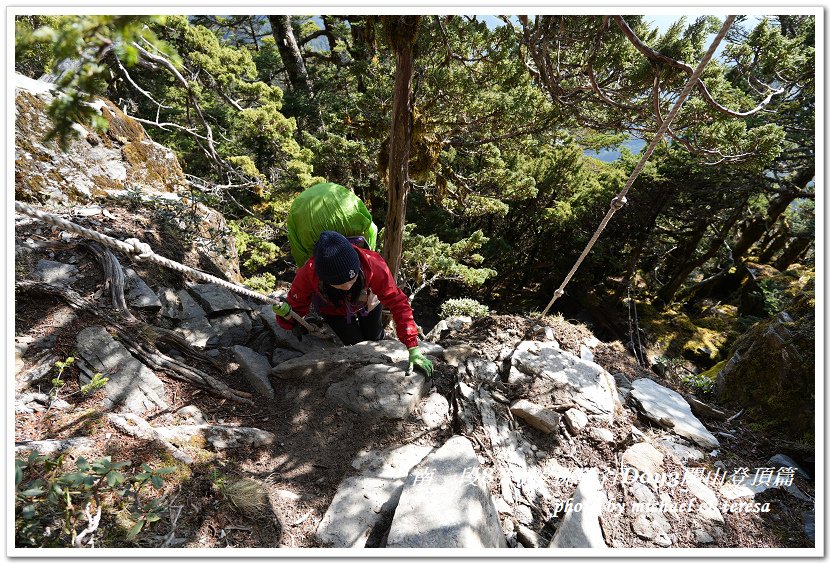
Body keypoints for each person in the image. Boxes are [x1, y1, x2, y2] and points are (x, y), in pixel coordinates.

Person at [273, 230, 433, 378]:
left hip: (368, 301)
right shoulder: (309, 272)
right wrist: (286, 315)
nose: (348, 286)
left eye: (352, 278)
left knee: (374, 335)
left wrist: (412, 346)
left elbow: (398, 302)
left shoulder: (373, 264)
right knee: (358, 346)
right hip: (333, 309)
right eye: (340, 284)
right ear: (324, 278)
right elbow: (295, 312)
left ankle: (381, 337)